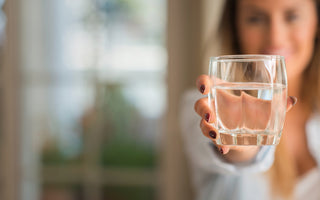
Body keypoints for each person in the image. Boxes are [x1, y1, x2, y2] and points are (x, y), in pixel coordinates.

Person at [180, 0, 320, 199]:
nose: (275, 37)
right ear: (235, 27)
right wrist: (241, 142)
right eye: (255, 19)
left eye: (292, 17)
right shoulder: (205, 104)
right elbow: (232, 156)